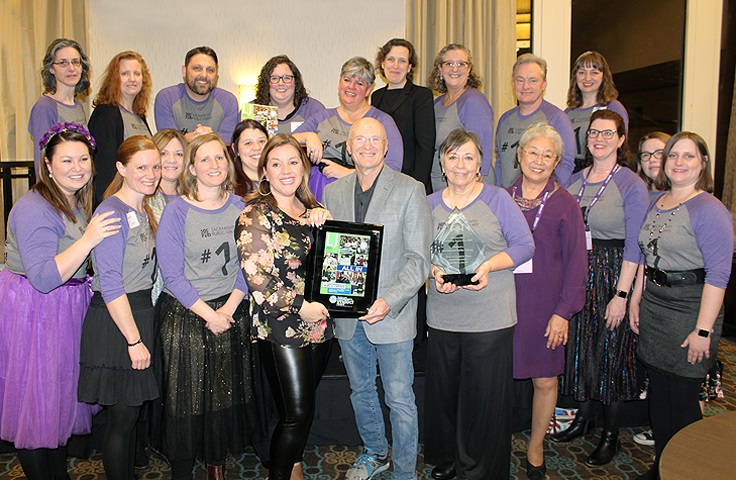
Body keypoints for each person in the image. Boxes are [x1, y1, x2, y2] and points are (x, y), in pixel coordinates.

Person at [0, 123, 118, 480]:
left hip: (63, 307)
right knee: (35, 404)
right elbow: (44, 277)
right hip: (35, 309)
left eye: (83, 158)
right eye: (66, 160)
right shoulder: (34, 207)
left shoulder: (71, 199)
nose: (77, 167)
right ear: (47, 165)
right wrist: (90, 239)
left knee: (54, 403)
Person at [323, 118, 431, 480]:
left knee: (400, 399)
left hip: (392, 315)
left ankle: (403, 471)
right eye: (359, 139)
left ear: (386, 148)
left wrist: (388, 301)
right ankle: (374, 453)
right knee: (361, 390)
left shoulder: (409, 189)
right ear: (348, 147)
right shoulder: (333, 192)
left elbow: (419, 261)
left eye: (375, 139)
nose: (367, 145)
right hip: (348, 319)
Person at [424, 128, 534, 480]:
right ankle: (448, 461)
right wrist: (432, 270)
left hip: (491, 317)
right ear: (442, 162)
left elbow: (524, 246)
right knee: (444, 398)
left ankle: (481, 470)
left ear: (480, 165)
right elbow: (412, 253)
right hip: (442, 316)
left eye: (468, 157)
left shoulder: (498, 198)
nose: (460, 164)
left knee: (484, 401)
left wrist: (488, 264)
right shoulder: (427, 203)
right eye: (453, 156)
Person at [629, 132, 733, 480]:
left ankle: (687, 471)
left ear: (703, 163)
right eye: (674, 155)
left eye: (689, 156)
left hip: (690, 309)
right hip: (656, 305)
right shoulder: (656, 200)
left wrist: (703, 330)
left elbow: (719, 275)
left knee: (683, 401)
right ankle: (662, 466)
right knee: (659, 396)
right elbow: (647, 256)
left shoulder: (709, 209)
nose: (679, 162)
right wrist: (636, 299)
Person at [156, 133, 256, 480]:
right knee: (186, 398)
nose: (213, 166)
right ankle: (182, 468)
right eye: (204, 159)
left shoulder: (241, 207)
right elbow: (170, 274)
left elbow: (250, 265)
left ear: (228, 164)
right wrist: (209, 314)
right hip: (187, 314)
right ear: (192, 168)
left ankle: (216, 464)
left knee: (221, 396)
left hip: (230, 312)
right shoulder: (176, 210)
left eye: (219, 158)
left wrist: (226, 311)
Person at [553, 109, 649, 466]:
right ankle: (583, 419)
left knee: (611, 355)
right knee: (582, 351)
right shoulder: (575, 181)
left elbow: (636, 246)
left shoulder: (630, 183)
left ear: (621, 139)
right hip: (580, 272)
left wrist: (622, 295)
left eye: (608, 133)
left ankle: (611, 434)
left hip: (613, 274)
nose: (599, 139)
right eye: (594, 132)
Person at [236, 133, 333, 480]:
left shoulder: (313, 212)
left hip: (320, 326)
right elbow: (258, 280)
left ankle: (293, 468)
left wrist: (328, 229)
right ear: (264, 172)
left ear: (304, 168)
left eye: (293, 161)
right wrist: (300, 306)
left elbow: (327, 267)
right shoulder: (256, 215)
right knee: (296, 413)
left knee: (301, 413)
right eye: (276, 164)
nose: (286, 170)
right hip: (281, 325)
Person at [77, 136, 161, 480]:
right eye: (141, 167)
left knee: (129, 419)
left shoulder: (142, 208)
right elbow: (110, 283)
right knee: (121, 422)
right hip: (118, 321)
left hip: (138, 311)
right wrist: (133, 340)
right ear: (121, 168)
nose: (151, 174)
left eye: (155, 166)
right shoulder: (111, 212)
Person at [507, 123, 587, 479]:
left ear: (556, 161)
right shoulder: (499, 196)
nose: (538, 160)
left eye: (547, 155)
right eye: (532, 152)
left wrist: (563, 313)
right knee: (497, 380)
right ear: (519, 154)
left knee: (545, 381)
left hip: (545, 307)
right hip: (502, 304)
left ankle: (536, 446)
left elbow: (577, 264)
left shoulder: (566, 203)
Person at [293, 57, 403, 201]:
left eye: (359, 83)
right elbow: (283, 143)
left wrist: (348, 174)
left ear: (368, 90)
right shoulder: (322, 117)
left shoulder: (382, 121)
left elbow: (393, 169)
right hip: (317, 192)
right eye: (346, 80)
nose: (351, 87)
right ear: (339, 83)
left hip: (360, 194)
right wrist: (307, 136)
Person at [495, 53, 576, 188]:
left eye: (533, 80)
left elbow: (566, 164)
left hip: (540, 202)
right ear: (513, 84)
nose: (525, 86)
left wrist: (548, 195)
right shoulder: (505, 120)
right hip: (507, 201)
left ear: (544, 85)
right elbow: (499, 162)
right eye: (520, 80)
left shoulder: (557, 119)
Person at [426, 43, 494, 191]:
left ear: (469, 69)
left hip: (466, 188)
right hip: (442, 187)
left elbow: (482, 151)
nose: (455, 69)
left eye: (461, 64)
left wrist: (470, 190)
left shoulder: (473, 101)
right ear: (440, 68)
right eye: (449, 63)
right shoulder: (436, 104)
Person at [89, 51, 154, 204]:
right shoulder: (105, 114)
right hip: (118, 201)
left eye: (137, 74)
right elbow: (104, 171)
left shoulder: (139, 115)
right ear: (114, 78)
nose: (132, 79)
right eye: (125, 73)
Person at [371, 38, 435, 193]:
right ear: (383, 63)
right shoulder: (376, 96)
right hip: (381, 180)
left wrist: (415, 186)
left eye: (402, 61)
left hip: (411, 179)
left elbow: (425, 147)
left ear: (409, 67)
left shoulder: (421, 96)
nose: (395, 66)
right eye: (391, 59)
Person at [28, 38, 91, 179]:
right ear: (51, 69)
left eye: (75, 62)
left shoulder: (78, 107)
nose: (71, 68)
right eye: (63, 63)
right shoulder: (45, 107)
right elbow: (42, 163)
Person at [154, 46, 239, 142]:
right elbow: (168, 143)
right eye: (197, 68)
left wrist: (203, 137)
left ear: (216, 74)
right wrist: (191, 137)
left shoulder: (228, 101)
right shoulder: (167, 98)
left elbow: (227, 143)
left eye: (210, 70)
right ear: (184, 71)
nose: (204, 75)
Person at [565, 51, 629, 173]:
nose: (587, 78)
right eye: (582, 72)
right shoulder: (567, 113)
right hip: (571, 176)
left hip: (601, 173)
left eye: (594, 72)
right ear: (575, 77)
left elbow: (621, 149)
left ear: (603, 77)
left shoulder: (613, 107)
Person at [253, 55, 326, 134]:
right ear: (266, 83)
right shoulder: (251, 111)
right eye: (274, 78)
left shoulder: (314, 110)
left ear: (296, 82)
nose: (281, 83)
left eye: (287, 78)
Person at [230, 119, 268, 197]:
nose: (257, 147)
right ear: (235, 149)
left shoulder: (281, 181)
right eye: (248, 143)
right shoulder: (228, 187)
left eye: (261, 141)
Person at [637, 131, 671, 195]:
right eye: (645, 155)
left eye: (659, 153)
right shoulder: (634, 194)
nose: (652, 160)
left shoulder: (686, 197)